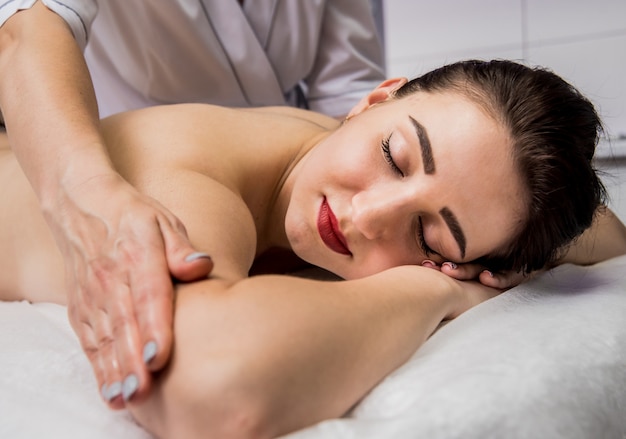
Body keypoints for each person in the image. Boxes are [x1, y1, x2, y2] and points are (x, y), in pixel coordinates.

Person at [1, 60, 625, 438]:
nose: (367, 215)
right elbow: (216, 390)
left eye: (429, 235)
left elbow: (604, 230)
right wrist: (434, 287)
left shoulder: (336, 147)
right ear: (377, 98)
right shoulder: (190, 178)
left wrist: (497, 259)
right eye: (395, 157)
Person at [0, 0, 386, 395]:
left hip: (265, 158)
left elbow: (348, 93)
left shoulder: (349, 159)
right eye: (396, 159)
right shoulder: (181, 175)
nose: (370, 214)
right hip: (86, 145)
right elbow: (28, 25)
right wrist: (86, 196)